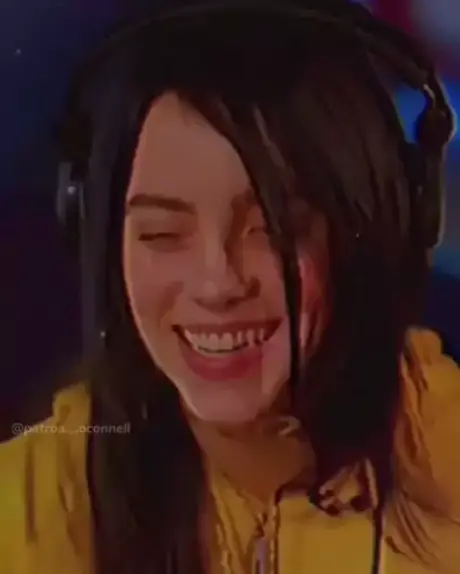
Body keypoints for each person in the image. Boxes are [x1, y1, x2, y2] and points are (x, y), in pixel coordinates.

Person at [1, 1, 459, 573]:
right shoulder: (33, 502)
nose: (217, 284)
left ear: (368, 225)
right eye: (162, 234)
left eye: (271, 229)